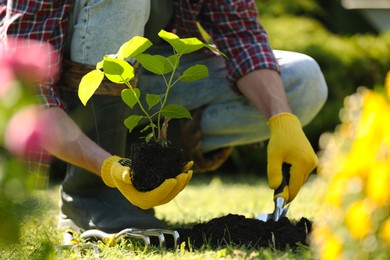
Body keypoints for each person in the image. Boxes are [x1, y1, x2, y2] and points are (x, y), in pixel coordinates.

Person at [2, 0, 327, 233]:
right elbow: (27, 94)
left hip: (149, 83)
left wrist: (281, 119)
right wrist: (107, 169)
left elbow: (241, 34)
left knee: (303, 81)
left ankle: (145, 163)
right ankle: (92, 194)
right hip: (76, 93)